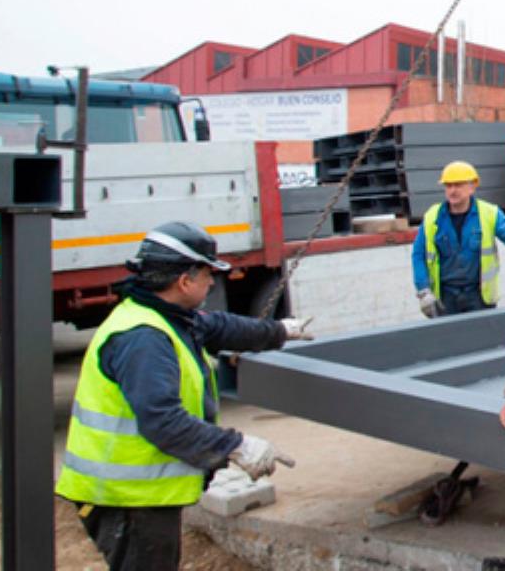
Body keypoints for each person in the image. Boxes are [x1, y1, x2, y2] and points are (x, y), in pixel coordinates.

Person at [55, 221, 313, 571]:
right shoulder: (144, 338)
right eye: (208, 274)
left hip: (137, 495)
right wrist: (235, 446)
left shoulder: (166, 316)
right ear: (184, 280)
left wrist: (278, 331)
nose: (211, 282)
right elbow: (162, 421)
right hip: (126, 499)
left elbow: (219, 326)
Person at [412, 160, 505, 317]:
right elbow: (418, 254)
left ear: (472, 186)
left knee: (482, 339)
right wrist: (423, 291)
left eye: (458, 185)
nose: (452, 190)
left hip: (479, 297)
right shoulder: (432, 217)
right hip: (446, 298)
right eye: (448, 185)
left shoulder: (488, 213)